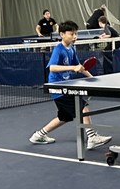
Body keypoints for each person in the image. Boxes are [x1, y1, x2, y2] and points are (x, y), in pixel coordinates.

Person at [29, 21, 110, 150]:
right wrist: (72, 68)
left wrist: (93, 78)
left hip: (65, 86)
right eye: (71, 34)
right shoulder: (59, 49)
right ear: (62, 34)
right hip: (58, 88)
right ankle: (92, 137)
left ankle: (38, 135)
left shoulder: (71, 49)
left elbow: (80, 67)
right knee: (83, 106)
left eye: (76, 34)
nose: (75, 36)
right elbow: (52, 68)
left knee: (64, 117)